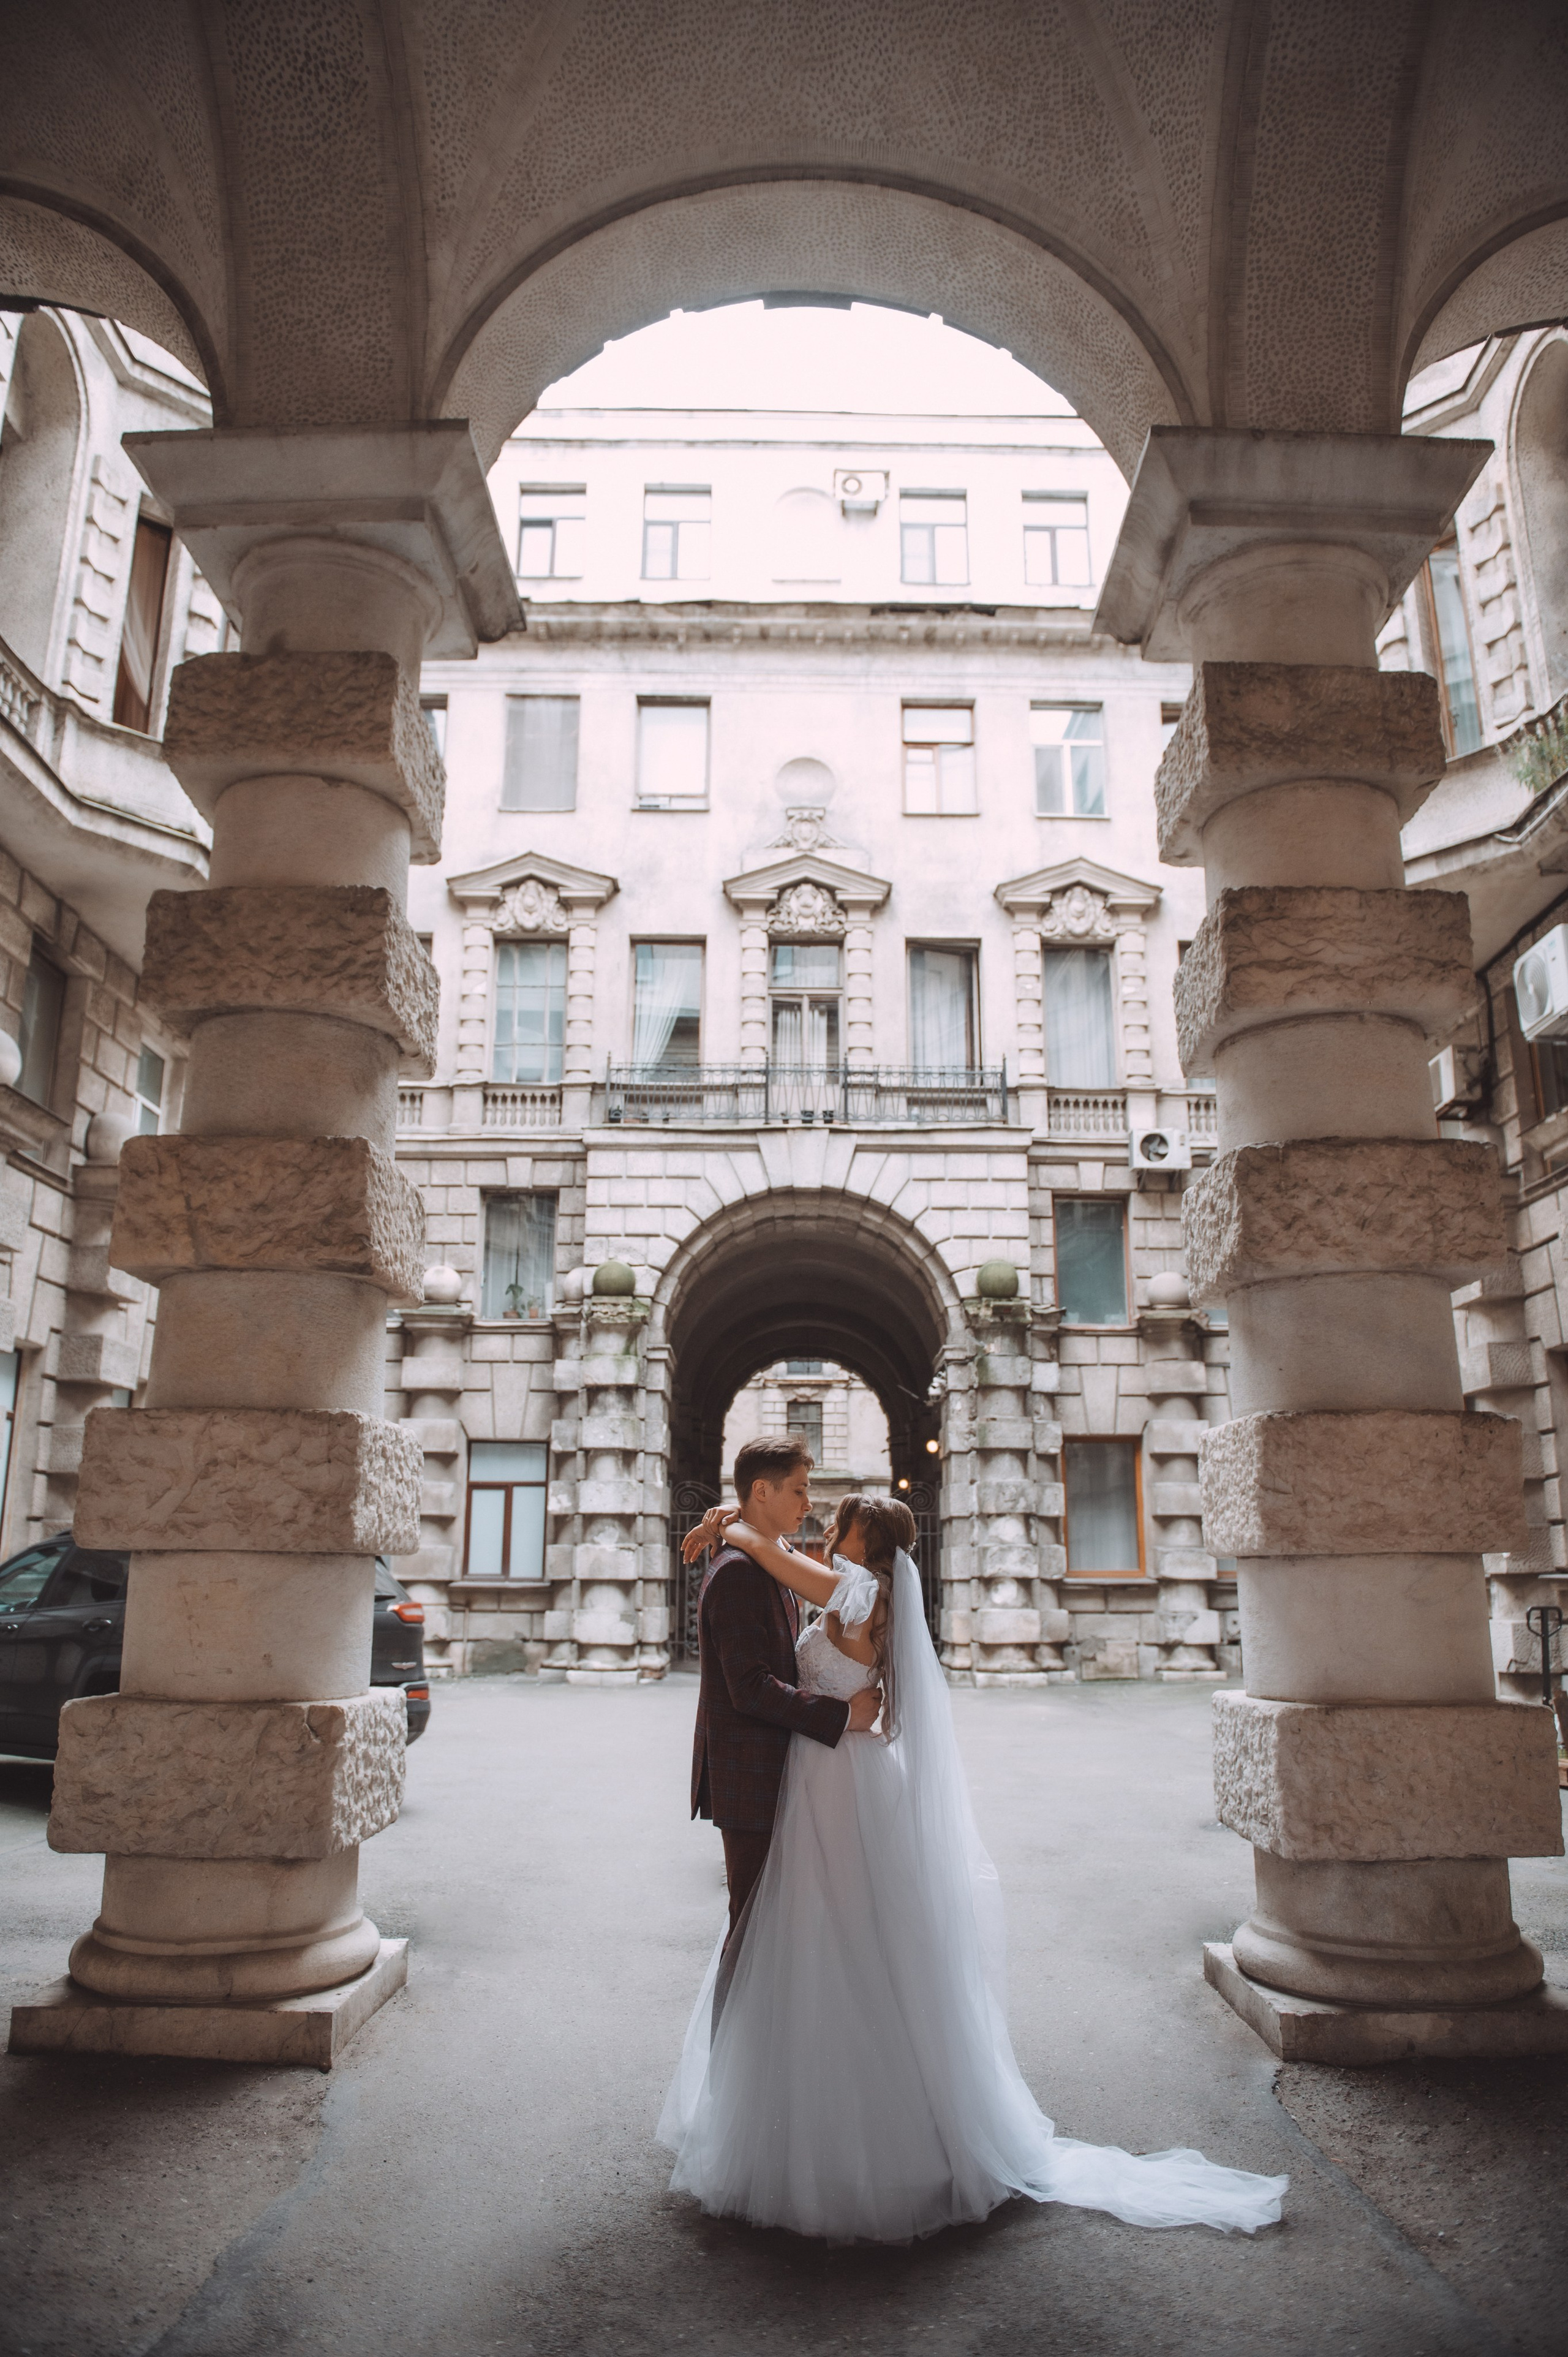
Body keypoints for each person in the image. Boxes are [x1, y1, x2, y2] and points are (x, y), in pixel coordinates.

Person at [660, 1488, 1287, 2244]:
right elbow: (784, 1552)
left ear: (863, 1541)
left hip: (836, 1779)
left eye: (840, 1525)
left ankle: (842, 2127)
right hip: (837, 1772)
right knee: (847, 1934)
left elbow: (770, 1551)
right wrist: (730, 1518)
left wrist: (729, 1525)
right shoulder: (866, 1588)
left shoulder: (856, 1591)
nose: (826, 1531)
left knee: (835, 1933)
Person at [686, 1436, 881, 1950]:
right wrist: (844, 1717)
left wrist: (727, 1522)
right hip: (750, 1771)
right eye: (799, 1490)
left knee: (780, 1927)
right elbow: (750, 1689)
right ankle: (735, 2008)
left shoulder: (770, 1558)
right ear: (762, 1491)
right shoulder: (738, 1573)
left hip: (784, 1768)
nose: (809, 1504)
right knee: (752, 1928)